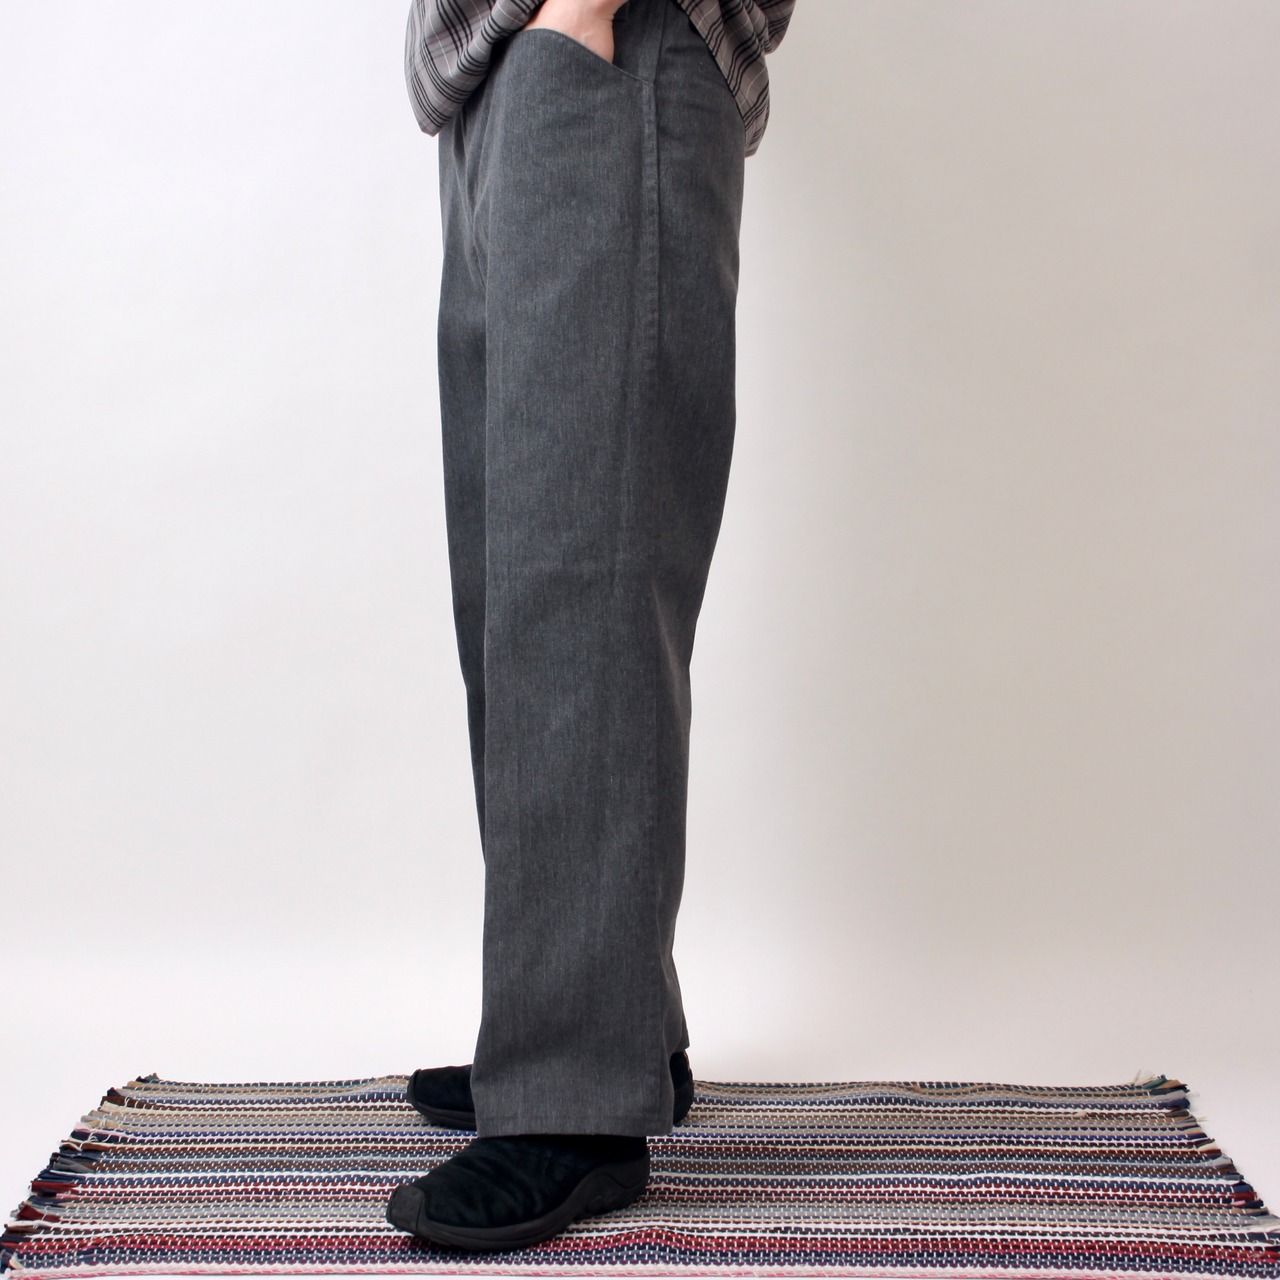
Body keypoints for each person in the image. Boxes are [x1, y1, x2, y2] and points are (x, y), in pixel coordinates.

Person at [384, 0, 795, 1252]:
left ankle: (571, 1097)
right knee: (521, 585)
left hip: (604, 45)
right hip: (501, 77)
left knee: (584, 581)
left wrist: (580, 14)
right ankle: (606, 1030)